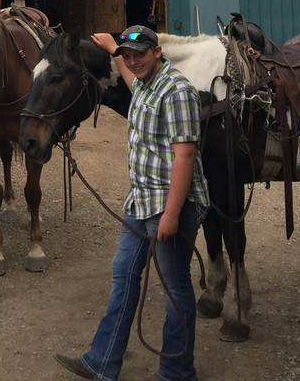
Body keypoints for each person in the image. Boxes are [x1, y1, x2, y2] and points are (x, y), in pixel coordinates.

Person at [55, 24, 209, 381]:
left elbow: (185, 156)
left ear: (158, 52)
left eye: (140, 54)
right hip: (140, 200)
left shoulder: (177, 91)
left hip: (171, 204)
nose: (134, 61)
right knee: (123, 273)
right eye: (129, 56)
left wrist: (171, 215)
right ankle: (103, 362)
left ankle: (177, 372)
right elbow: (129, 77)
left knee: (174, 287)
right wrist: (113, 49)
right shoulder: (142, 81)